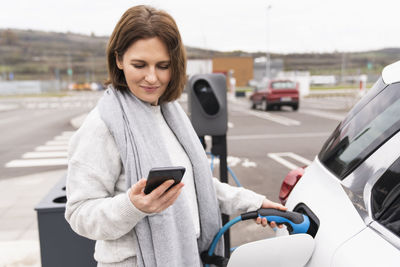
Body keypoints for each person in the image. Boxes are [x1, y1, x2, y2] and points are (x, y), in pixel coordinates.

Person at [65, 5, 286, 267]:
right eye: (140, 64)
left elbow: (194, 185)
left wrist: (254, 203)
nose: (152, 77)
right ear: (119, 60)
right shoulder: (103, 125)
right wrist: (133, 207)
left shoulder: (171, 114)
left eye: (163, 66)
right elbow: (79, 213)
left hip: (187, 256)